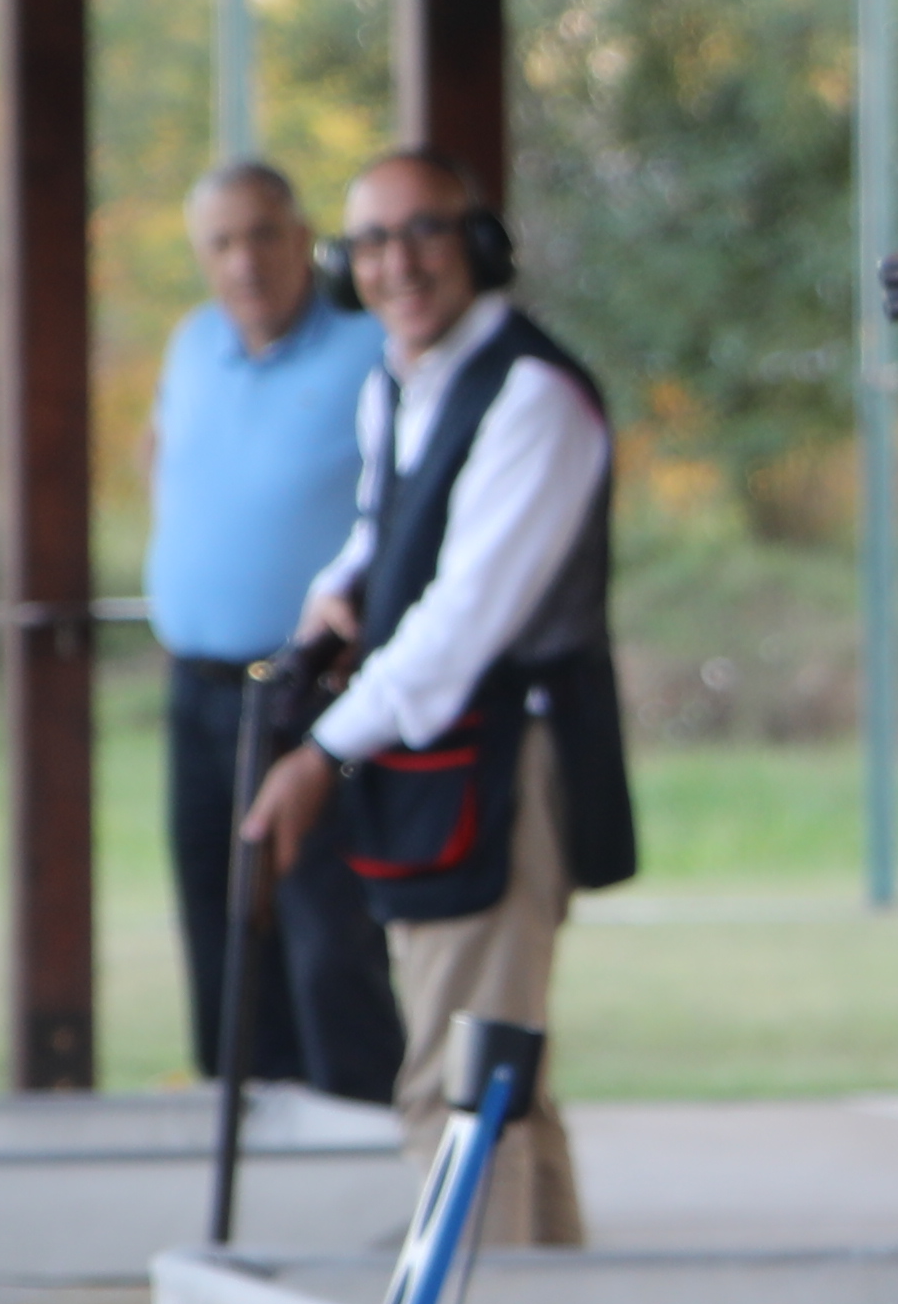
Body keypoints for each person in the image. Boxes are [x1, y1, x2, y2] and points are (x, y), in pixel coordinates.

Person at [240, 154, 637, 1246]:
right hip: (436, 766)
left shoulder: (531, 396)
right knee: (502, 1079)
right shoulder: (397, 382)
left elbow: (466, 619)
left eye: (423, 232)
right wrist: (335, 595)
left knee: (459, 1091)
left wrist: (320, 752)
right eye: (370, 241)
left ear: (479, 244)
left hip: (505, 766)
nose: (397, 263)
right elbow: (387, 535)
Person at [147, 158, 404, 1109]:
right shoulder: (190, 347)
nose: (244, 260)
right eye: (221, 242)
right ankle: (243, 1144)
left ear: (303, 240)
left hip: (313, 693)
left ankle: (357, 1145)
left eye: (263, 234)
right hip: (199, 687)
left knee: (325, 937)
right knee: (217, 929)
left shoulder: (369, 350)